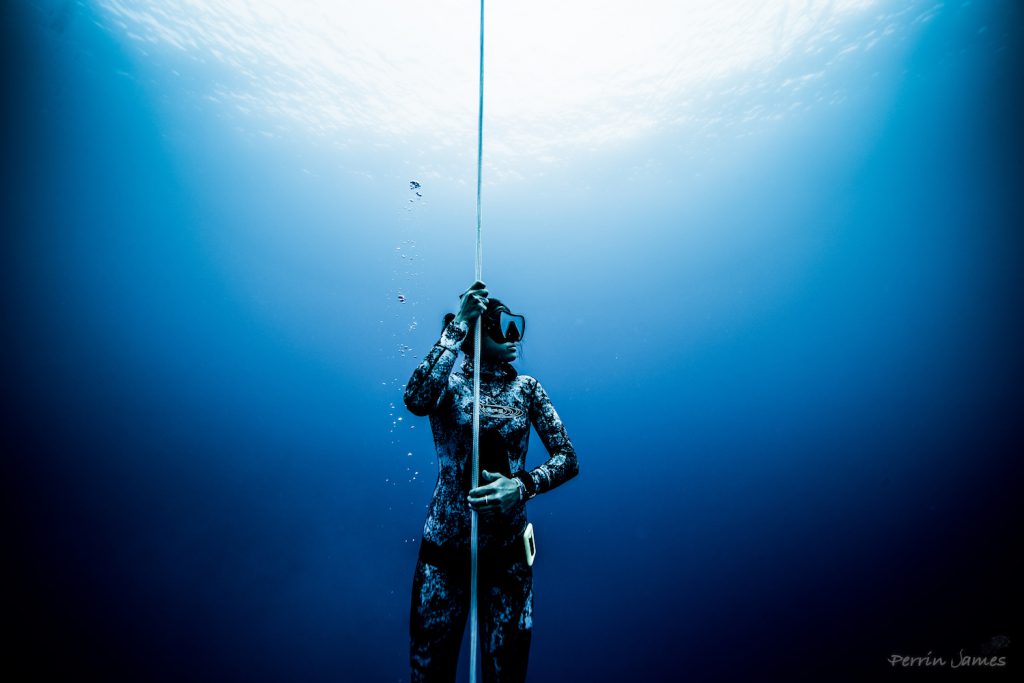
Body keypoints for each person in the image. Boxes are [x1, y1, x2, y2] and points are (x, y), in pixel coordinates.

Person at [403, 281, 579, 683]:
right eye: (502, 326)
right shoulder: (450, 385)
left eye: (517, 326)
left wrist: (521, 486)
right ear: (480, 332)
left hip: (507, 557)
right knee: (428, 672)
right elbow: (415, 398)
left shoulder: (527, 389)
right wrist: (457, 326)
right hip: (444, 555)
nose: (514, 336)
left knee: (508, 673)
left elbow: (568, 459)